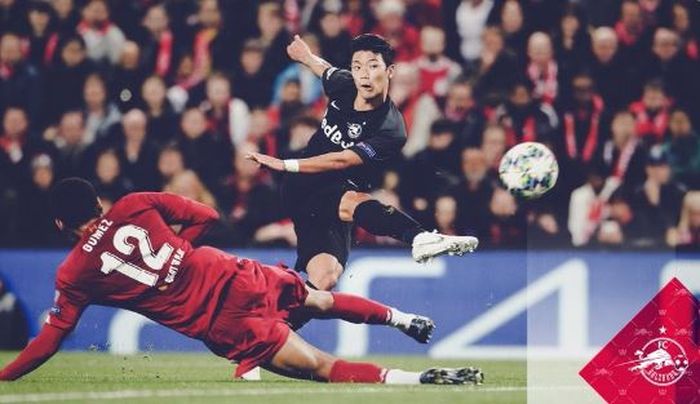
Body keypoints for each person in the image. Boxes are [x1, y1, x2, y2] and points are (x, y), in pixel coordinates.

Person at [0, 178, 483, 386]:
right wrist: (179, 250)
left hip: (221, 322)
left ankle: (412, 380)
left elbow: (48, 341)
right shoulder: (133, 204)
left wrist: (5, 376)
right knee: (318, 298)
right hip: (230, 272)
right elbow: (207, 214)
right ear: (100, 205)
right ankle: (400, 317)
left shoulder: (75, 272)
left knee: (319, 365)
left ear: (61, 226)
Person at [246, 34, 478, 291]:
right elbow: (323, 68)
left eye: (372, 65)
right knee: (352, 201)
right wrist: (306, 56)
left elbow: (341, 160)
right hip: (304, 183)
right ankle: (419, 237)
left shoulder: (391, 129)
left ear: (390, 71)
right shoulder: (344, 84)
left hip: (333, 185)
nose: (363, 74)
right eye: (357, 67)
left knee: (326, 278)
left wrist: (284, 163)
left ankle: (284, 323)